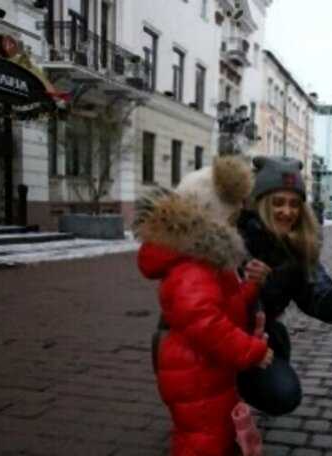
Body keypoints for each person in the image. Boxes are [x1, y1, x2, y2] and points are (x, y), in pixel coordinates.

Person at [134, 155, 272, 456]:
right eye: (231, 217)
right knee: (201, 440)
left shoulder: (206, 261)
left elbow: (223, 304)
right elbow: (208, 324)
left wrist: (250, 287)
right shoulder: (193, 269)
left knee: (213, 434)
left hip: (205, 368)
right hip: (194, 372)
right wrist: (253, 350)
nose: (236, 223)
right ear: (213, 217)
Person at [236, 156, 332, 416]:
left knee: (283, 393)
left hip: (258, 340)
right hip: (209, 338)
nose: (287, 212)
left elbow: (320, 299)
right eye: (277, 202)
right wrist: (245, 283)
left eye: (294, 204)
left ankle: (246, 384)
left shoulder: (297, 250)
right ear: (259, 203)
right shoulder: (232, 238)